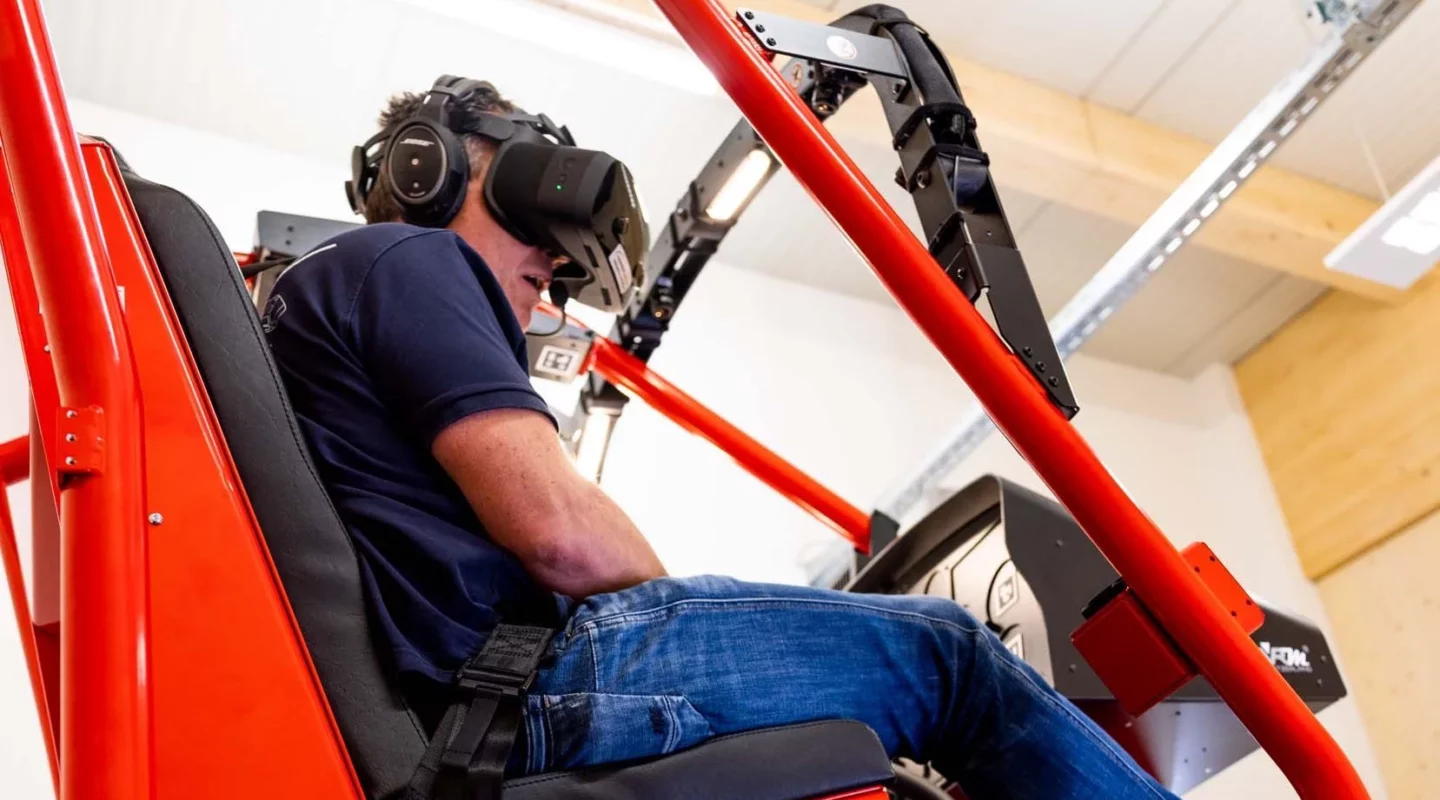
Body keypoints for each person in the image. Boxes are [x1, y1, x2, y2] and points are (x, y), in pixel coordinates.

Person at [264, 79, 1178, 800]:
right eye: (525, 204)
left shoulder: (333, 297)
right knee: (949, 656)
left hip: (482, 699)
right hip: (537, 680)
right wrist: (694, 617)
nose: (551, 259)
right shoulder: (413, 259)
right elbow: (560, 531)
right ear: (436, 171)